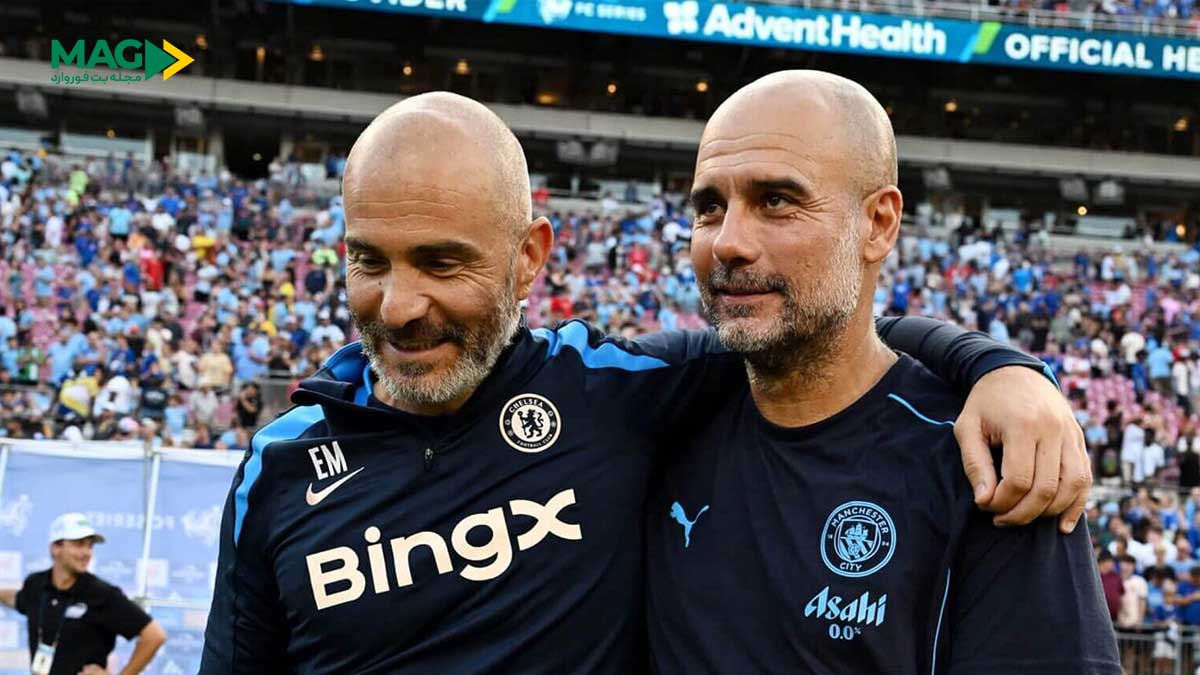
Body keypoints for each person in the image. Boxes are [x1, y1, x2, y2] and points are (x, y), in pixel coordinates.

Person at [200, 92, 1092, 673]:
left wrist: (1003, 368)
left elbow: (822, 333)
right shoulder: (278, 470)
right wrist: (1001, 365)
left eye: (441, 262)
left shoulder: (610, 393)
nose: (399, 306)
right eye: (368, 260)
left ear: (528, 260)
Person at [643, 71, 1118, 673]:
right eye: (710, 207)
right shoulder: (649, 411)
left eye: (777, 201)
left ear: (878, 224)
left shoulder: (983, 463)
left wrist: (1008, 369)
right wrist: (998, 362)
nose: (727, 243)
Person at [0, 513, 167, 675]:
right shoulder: (36, 584)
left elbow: (154, 635)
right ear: (56, 548)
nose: (87, 553)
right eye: (79, 544)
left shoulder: (102, 594)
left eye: (90, 546)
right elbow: (18, 598)